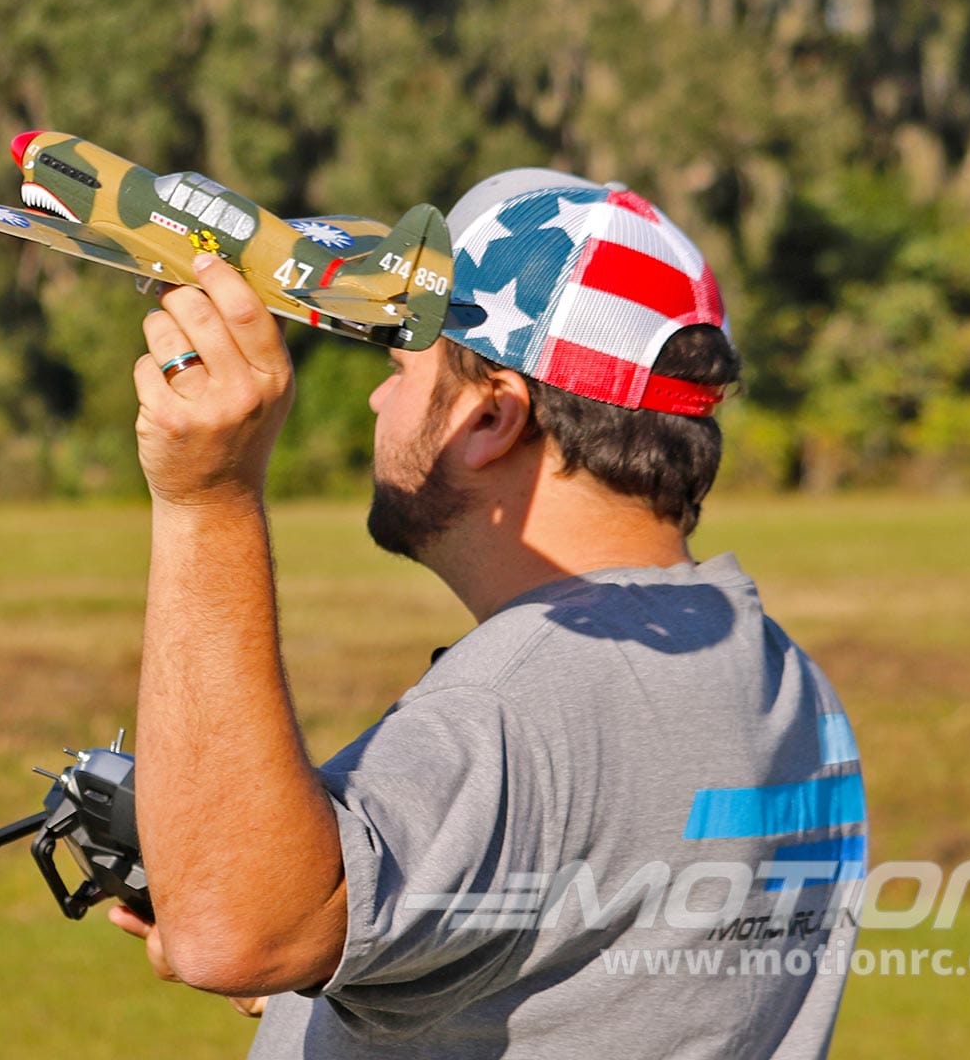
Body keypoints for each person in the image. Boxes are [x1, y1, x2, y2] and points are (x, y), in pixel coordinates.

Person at [109, 168, 868, 1058]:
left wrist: (209, 498)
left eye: (400, 367)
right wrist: (354, 942)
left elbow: (235, 932)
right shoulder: (776, 675)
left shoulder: (529, 698)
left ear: (490, 419)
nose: (378, 399)